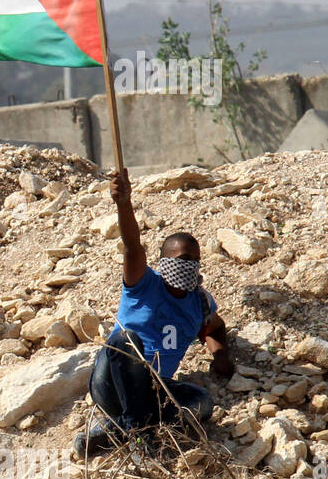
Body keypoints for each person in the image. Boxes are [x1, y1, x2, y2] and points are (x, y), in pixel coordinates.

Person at [75, 167, 235, 457]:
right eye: (181, 259)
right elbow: (133, 246)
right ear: (164, 262)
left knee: (201, 402)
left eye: (194, 261)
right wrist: (124, 203)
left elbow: (216, 329)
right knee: (127, 341)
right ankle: (139, 437)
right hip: (112, 382)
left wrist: (220, 355)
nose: (189, 266)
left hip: (155, 393)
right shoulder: (143, 284)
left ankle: (117, 433)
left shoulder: (200, 303)